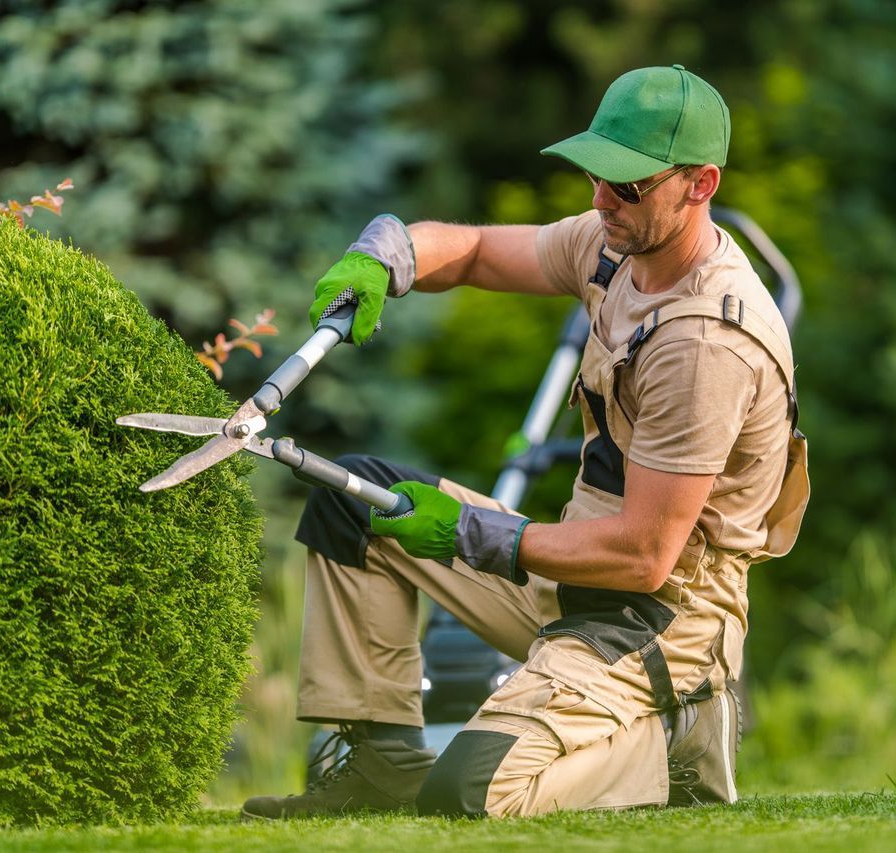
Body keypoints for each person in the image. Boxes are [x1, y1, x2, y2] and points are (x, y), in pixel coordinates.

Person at [241, 64, 808, 821]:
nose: (602, 198)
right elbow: (473, 250)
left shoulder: (707, 341)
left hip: (660, 627)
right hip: (572, 577)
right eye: (596, 175)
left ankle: (669, 740)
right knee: (354, 502)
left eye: (628, 185)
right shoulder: (617, 247)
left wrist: (474, 532)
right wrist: (388, 253)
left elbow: (644, 558)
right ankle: (379, 769)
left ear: (700, 184)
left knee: (470, 793)